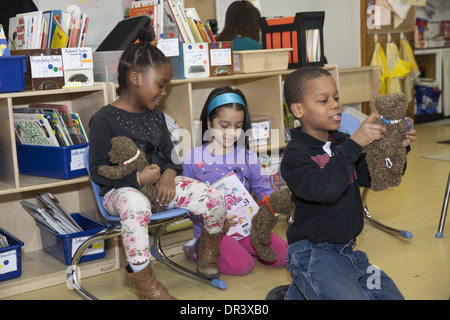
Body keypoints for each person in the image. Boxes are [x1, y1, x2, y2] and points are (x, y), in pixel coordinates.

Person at [88, 30, 227, 300]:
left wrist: (169, 174)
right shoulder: (103, 119)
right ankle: (146, 285)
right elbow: (98, 172)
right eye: (161, 85)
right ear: (135, 78)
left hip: (161, 188)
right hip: (121, 192)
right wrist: (138, 182)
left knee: (215, 198)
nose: (163, 93)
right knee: (136, 203)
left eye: (166, 87)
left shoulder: (156, 116)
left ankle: (207, 247)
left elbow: (170, 156)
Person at [280, 66, 416, 300]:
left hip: (349, 252)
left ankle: (300, 294)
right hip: (312, 253)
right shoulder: (295, 155)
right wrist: (354, 145)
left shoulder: (343, 143)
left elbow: (376, 178)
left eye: (336, 98)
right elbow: (325, 189)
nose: (335, 104)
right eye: (323, 100)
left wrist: (396, 149)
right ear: (298, 109)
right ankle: (299, 288)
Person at [182, 86, 288, 275]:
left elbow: (265, 191)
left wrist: (270, 208)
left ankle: (242, 247)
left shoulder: (248, 157)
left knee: (284, 256)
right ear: (209, 123)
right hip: (211, 233)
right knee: (242, 266)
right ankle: (194, 250)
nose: (231, 132)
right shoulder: (192, 158)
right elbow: (186, 205)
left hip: (247, 227)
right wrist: (211, 218)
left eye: (238, 126)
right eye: (224, 125)